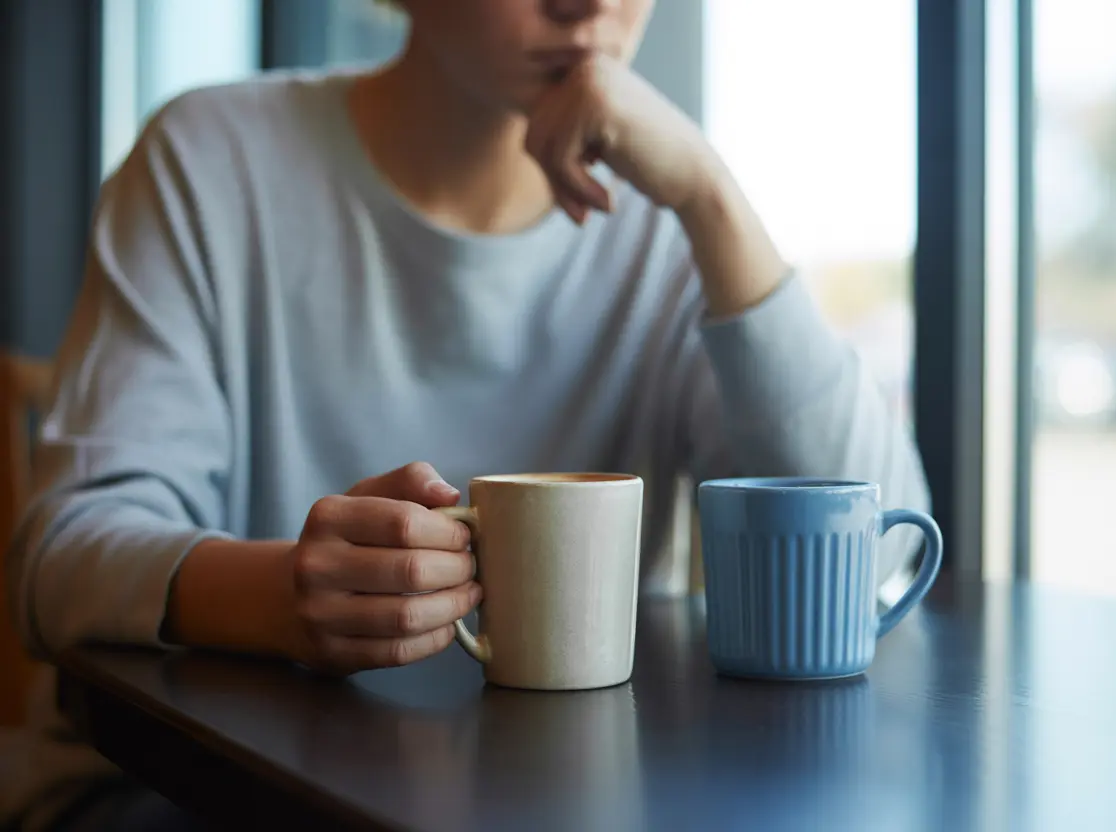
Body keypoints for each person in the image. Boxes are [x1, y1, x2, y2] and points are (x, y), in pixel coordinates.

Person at [2, 0, 930, 828]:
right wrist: (284, 596)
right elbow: (58, 562)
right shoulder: (209, 161)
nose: (590, 6)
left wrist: (712, 197)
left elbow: (878, 561)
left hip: (558, 802)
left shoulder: (668, 225)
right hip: (163, 791)